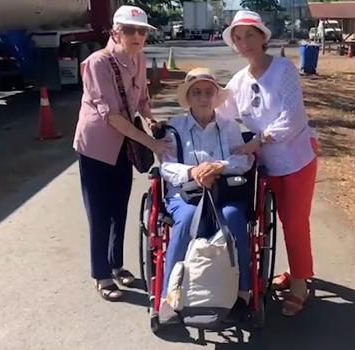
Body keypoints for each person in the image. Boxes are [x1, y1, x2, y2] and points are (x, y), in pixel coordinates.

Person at [217, 10, 319, 316]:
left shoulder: (283, 70)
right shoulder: (237, 82)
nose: (244, 42)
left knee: (294, 221)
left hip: (296, 157)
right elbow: (221, 118)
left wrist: (258, 140)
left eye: (249, 35)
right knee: (261, 221)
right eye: (238, 37)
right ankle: (295, 268)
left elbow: (292, 117)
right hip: (263, 165)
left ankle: (300, 282)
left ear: (263, 37)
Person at [73, 5, 171, 301]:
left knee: (120, 208)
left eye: (142, 31)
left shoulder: (138, 59)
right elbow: (112, 117)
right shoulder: (97, 63)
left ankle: (116, 265)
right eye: (130, 30)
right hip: (97, 146)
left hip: (124, 145)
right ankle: (101, 274)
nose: (137, 36)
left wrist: (151, 119)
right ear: (116, 32)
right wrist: (150, 142)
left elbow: (141, 100)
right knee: (100, 212)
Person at [160, 67, 254, 317]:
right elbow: (166, 166)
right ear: (188, 97)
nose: (203, 98)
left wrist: (218, 166)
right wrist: (194, 172)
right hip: (185, 194)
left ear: (216, 96)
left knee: (233, 218)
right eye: (197, 92)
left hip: (224, 192)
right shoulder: (174, 127)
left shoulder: (229, 126)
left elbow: (245, 160)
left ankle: (243, 291)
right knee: (189, 219)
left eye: (208, 92)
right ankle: (167, 296)